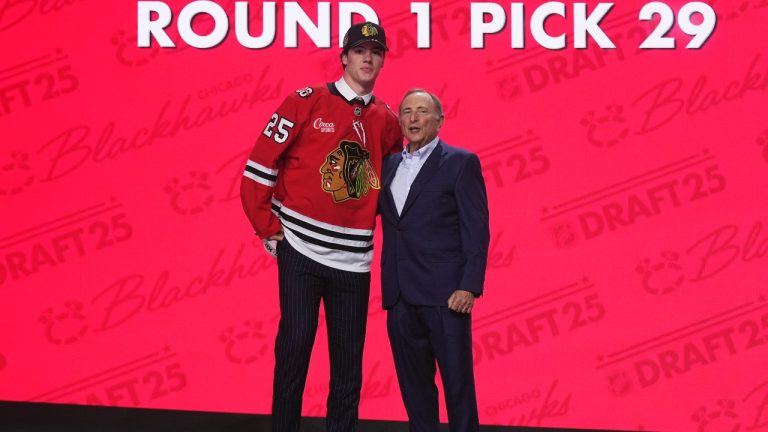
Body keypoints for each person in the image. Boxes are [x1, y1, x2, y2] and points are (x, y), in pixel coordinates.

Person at [239, 22, 402, 432]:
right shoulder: (304, 101)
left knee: (348, 365)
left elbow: (398, 183)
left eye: (376, 52)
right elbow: (258, 168)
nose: (368, 57)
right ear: (344, 57)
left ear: (382, 61)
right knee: (294, 349)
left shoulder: (387, 119)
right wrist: (269, 228)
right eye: (360, 50)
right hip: (302, 252)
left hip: (355, 260)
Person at [378, 89, 490, 432]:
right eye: (407, 111)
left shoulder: (460, 162)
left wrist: (468, 286)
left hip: (446, 297)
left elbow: (477, 229)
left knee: (457, 387)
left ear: (439, 121)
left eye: (422, 111)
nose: (413, 118)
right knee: (414, 392)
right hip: (399, 296)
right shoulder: (388, 165)